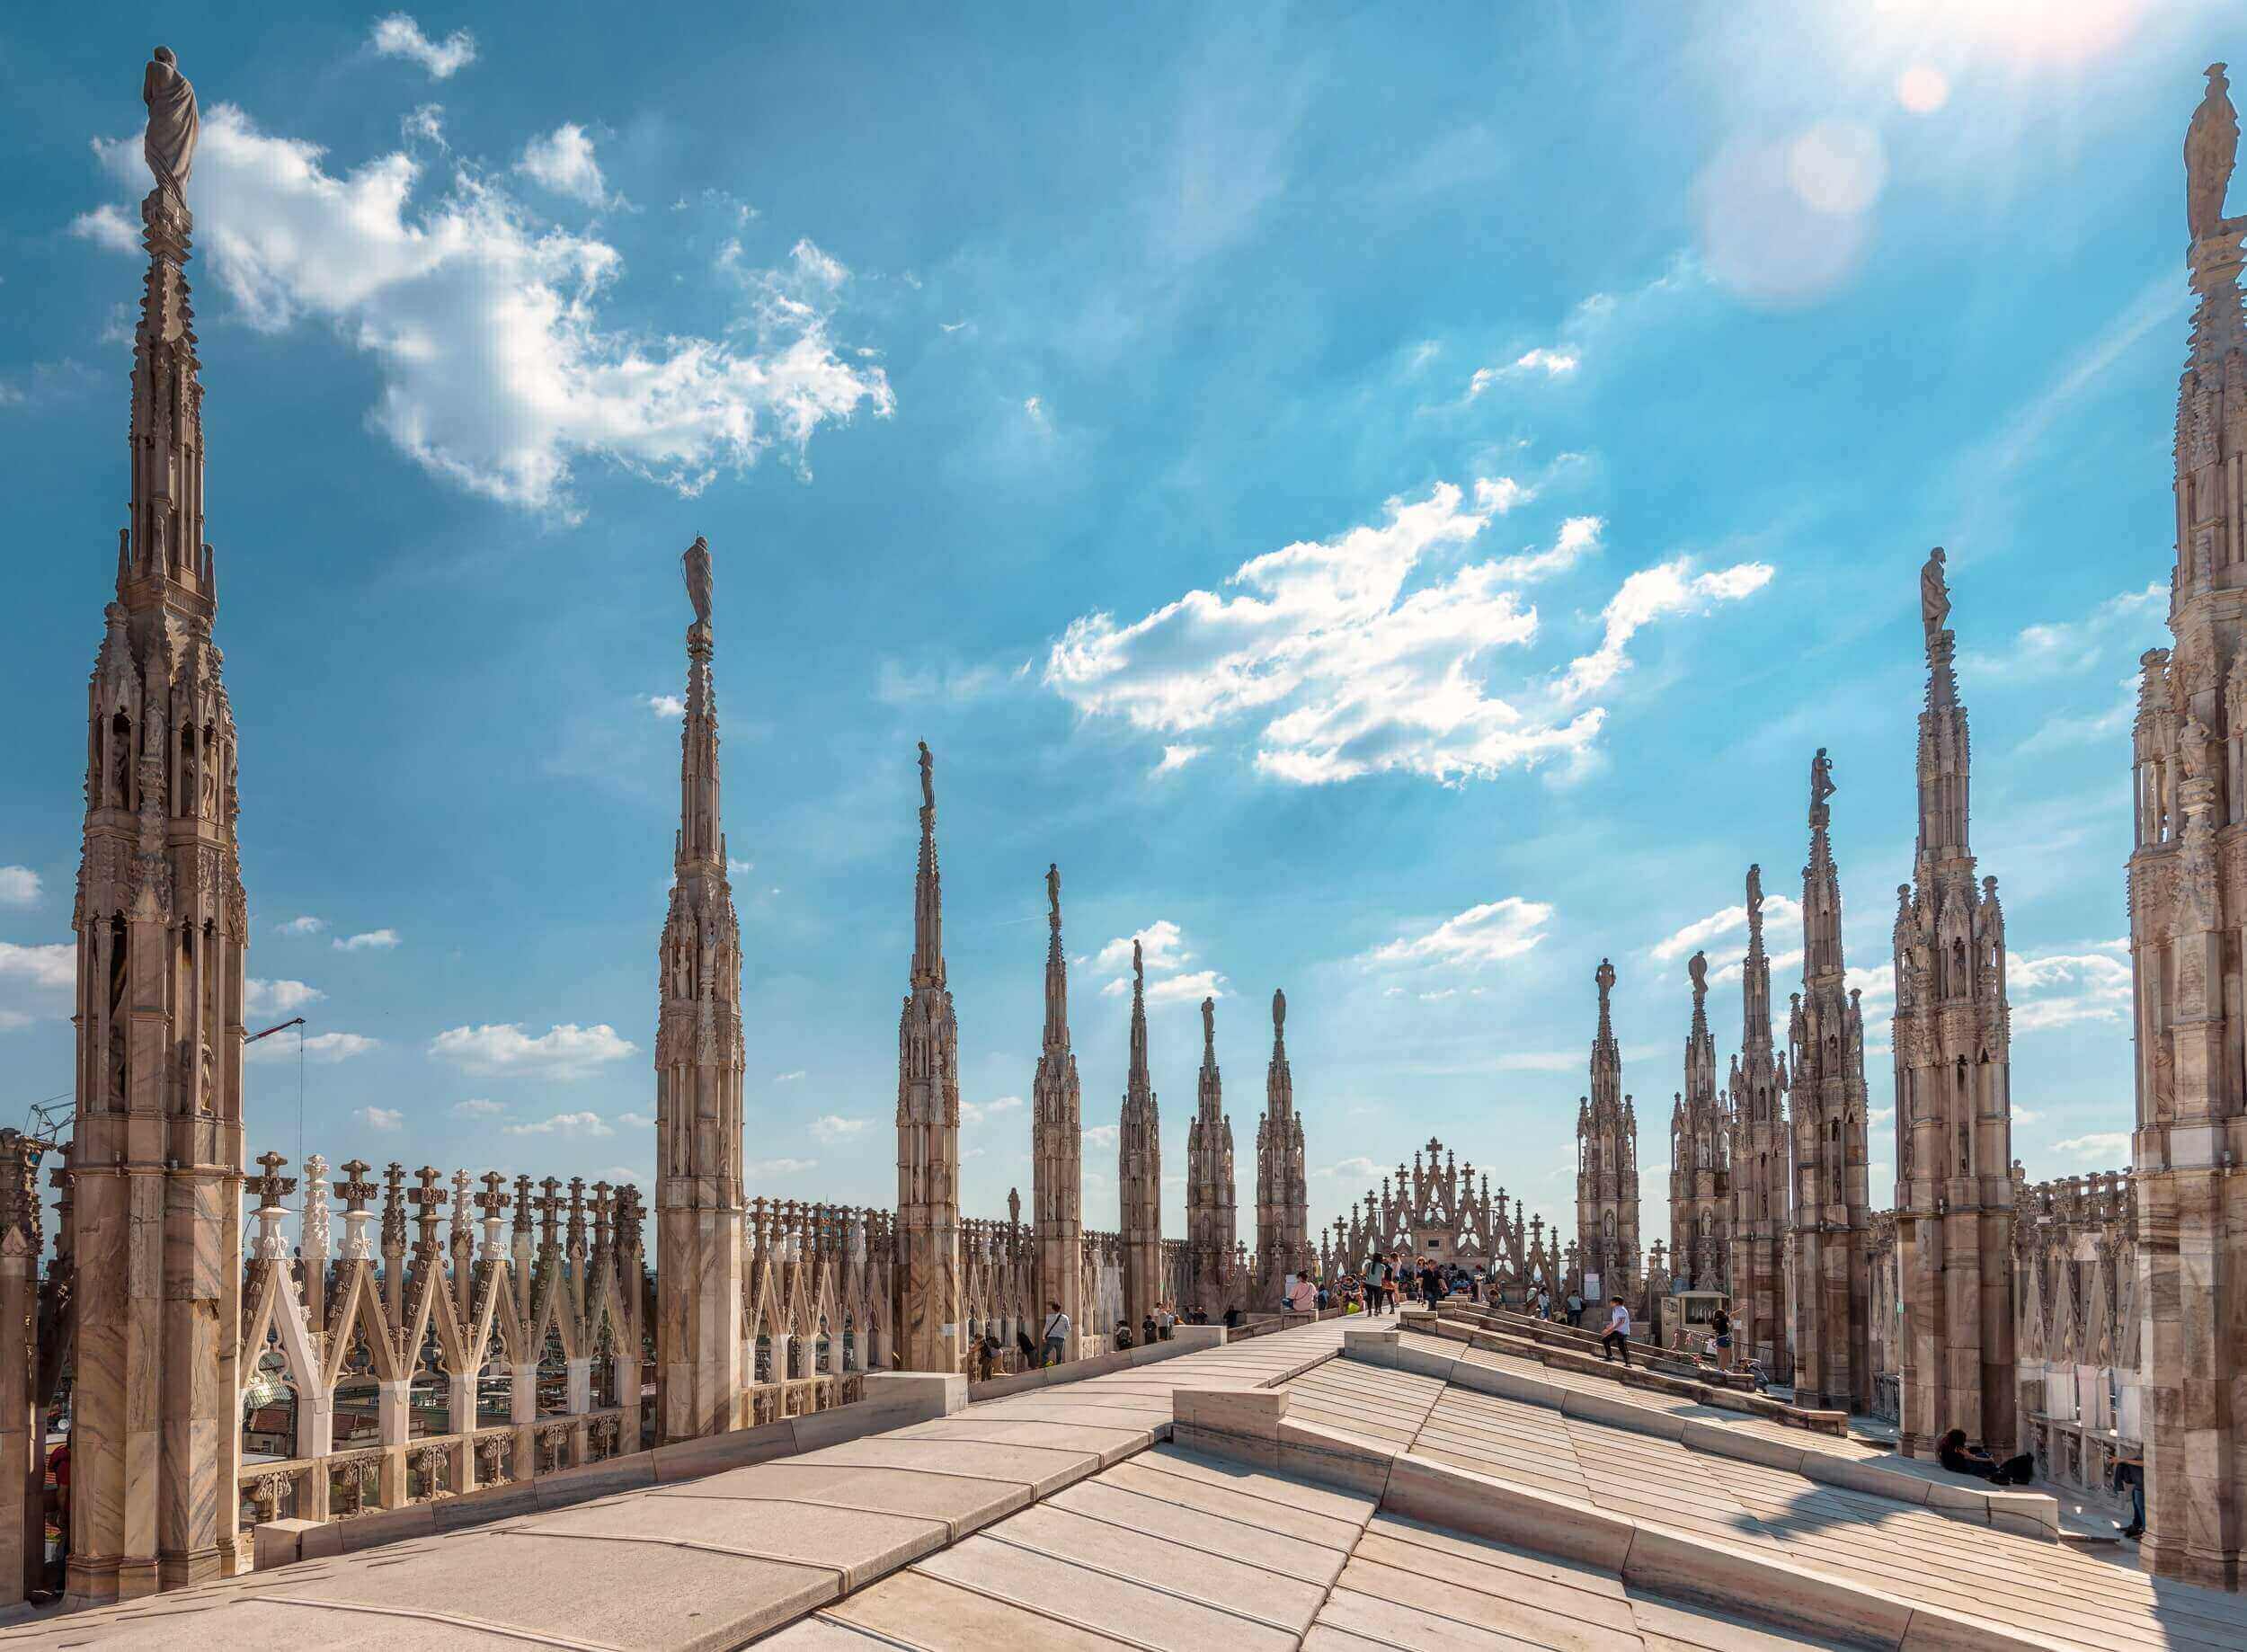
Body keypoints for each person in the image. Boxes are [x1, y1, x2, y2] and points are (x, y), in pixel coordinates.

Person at [1937, 1427, 2034, 1487]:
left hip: (1959, 1467)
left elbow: (1940, 1454)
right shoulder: (1958, 1448)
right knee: (1983, 1455)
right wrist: (1988, 1459)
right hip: (1967, 1467)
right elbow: (1972, 1458)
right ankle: (1997, 1470)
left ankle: (1999, 1471)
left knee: (1978, 1452)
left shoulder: (1946, 1447)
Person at [1601, 1297, 1632, 1365]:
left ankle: (1628, 1363)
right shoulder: (1615, 1309)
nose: (1610, 1303)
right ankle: (1610, 1356)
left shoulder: (1621, 1310)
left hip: (1622, 1332)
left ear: (1617, 1303)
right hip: (1617, 1330)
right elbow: (1615, 1321)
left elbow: (1621, 1322)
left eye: (1612, 1302)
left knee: (1622, 1347)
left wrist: (1609, 1330)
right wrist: (1609, 1326)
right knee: (1605, 1340)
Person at [1041, 1301, 1070, 1368]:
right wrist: (1063, 1333)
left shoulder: (1049, 1317)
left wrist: (1043, 1337)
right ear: (1060, 1309)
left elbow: (1046, 1328)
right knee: (1059, 1357)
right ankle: (1058, 1369)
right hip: (1061, 1339)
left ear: (1052, 1309)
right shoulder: (1065, 1317)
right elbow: (1068, 1329)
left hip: (1051, 1338)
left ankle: (1047, 1364)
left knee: (1044, 1354)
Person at [1709, 1304, 1734, 1371]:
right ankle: (1723, 1368)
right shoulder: (1723, 1319)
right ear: (1722, 1314)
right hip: (1725, 1338)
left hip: (1718, 1338)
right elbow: (1731, 1314)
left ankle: (1720, 1368)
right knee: (1726, 1354)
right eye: (1724, 1313)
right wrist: (1742, 1308)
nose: (1725, 1314)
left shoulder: (1715, 1321)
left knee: (1720, 1354)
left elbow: (1715, 1330)